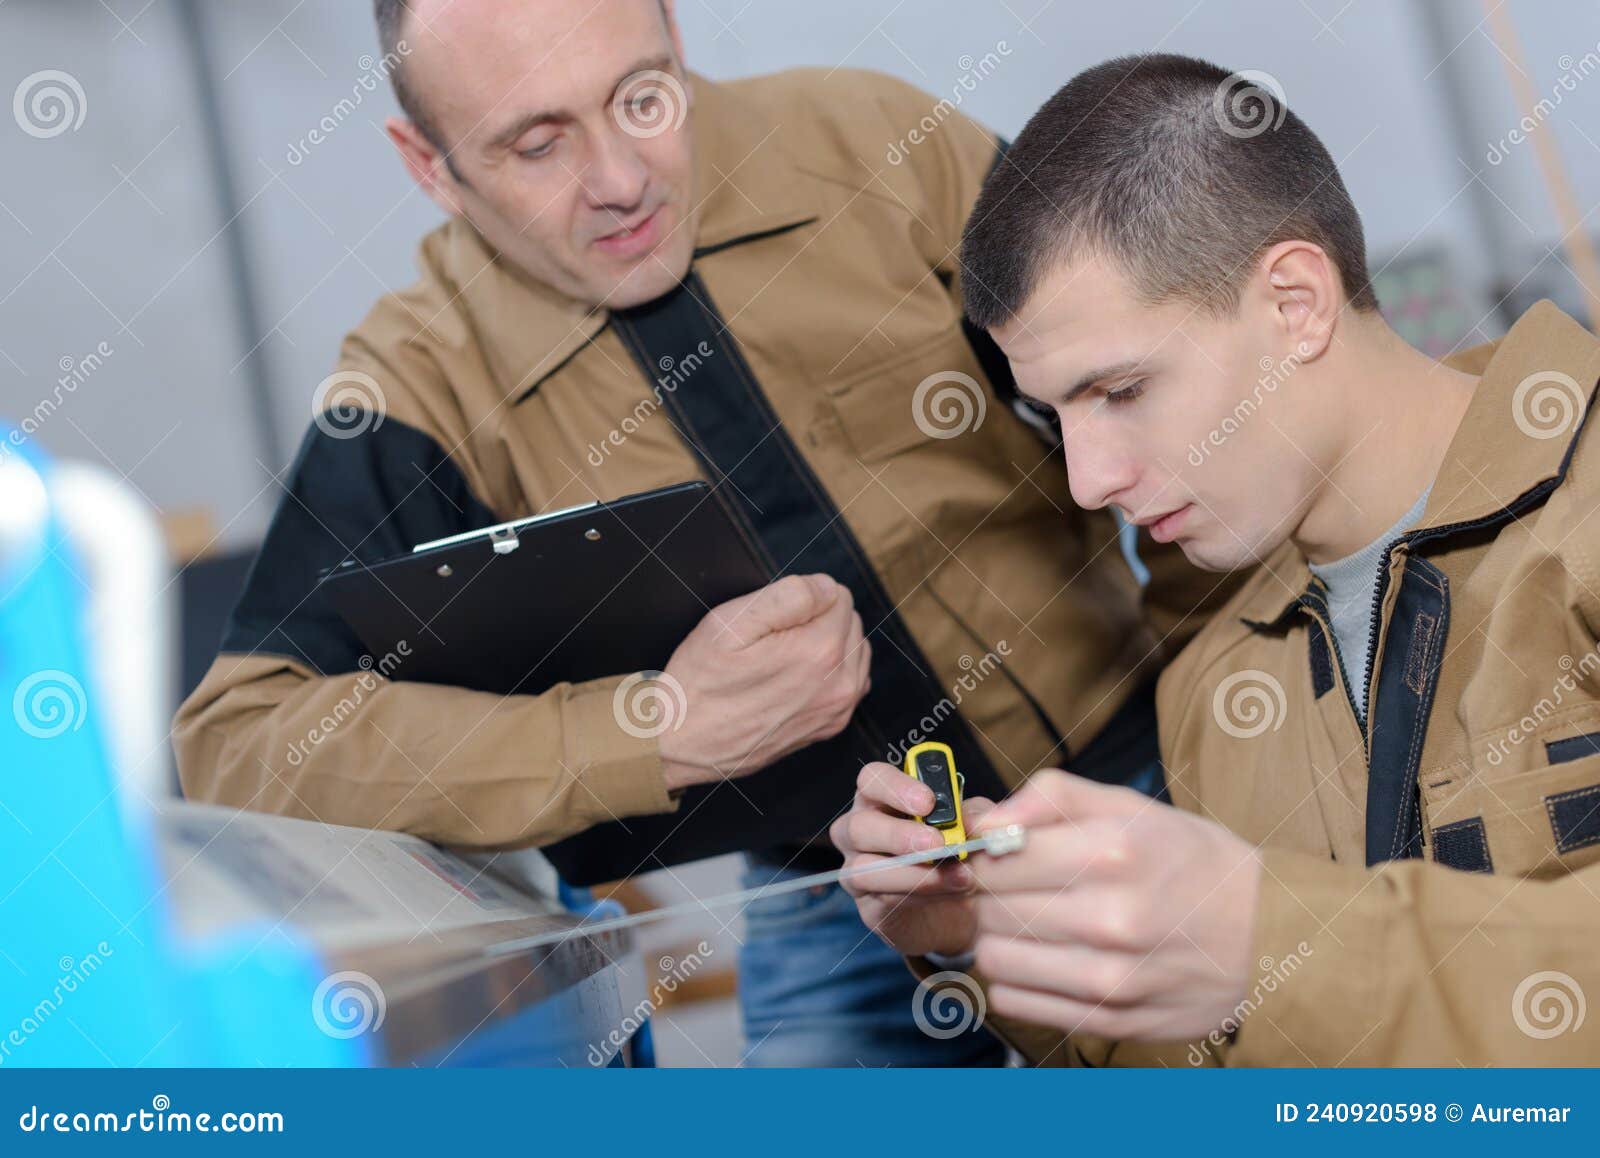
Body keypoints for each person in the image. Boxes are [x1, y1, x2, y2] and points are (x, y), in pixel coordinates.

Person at [174, 6, 1226, 1066]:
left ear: (674, 36)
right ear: (429, 166)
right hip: (833, 896)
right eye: (537, 144)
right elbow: (243, 743)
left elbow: (1178, 394)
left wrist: (1218, 717)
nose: (622, 178)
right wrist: (654, 728)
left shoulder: (881, 150)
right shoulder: (416, 386)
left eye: (641, 97)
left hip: (1142, 781)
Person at [835, 51, 1600, 1065]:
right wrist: (977, 936)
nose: (1086, 481)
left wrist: (1275, 940)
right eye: (1053, 414)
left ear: (1293, 303)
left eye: (1120, 391)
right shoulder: (1213, 678)